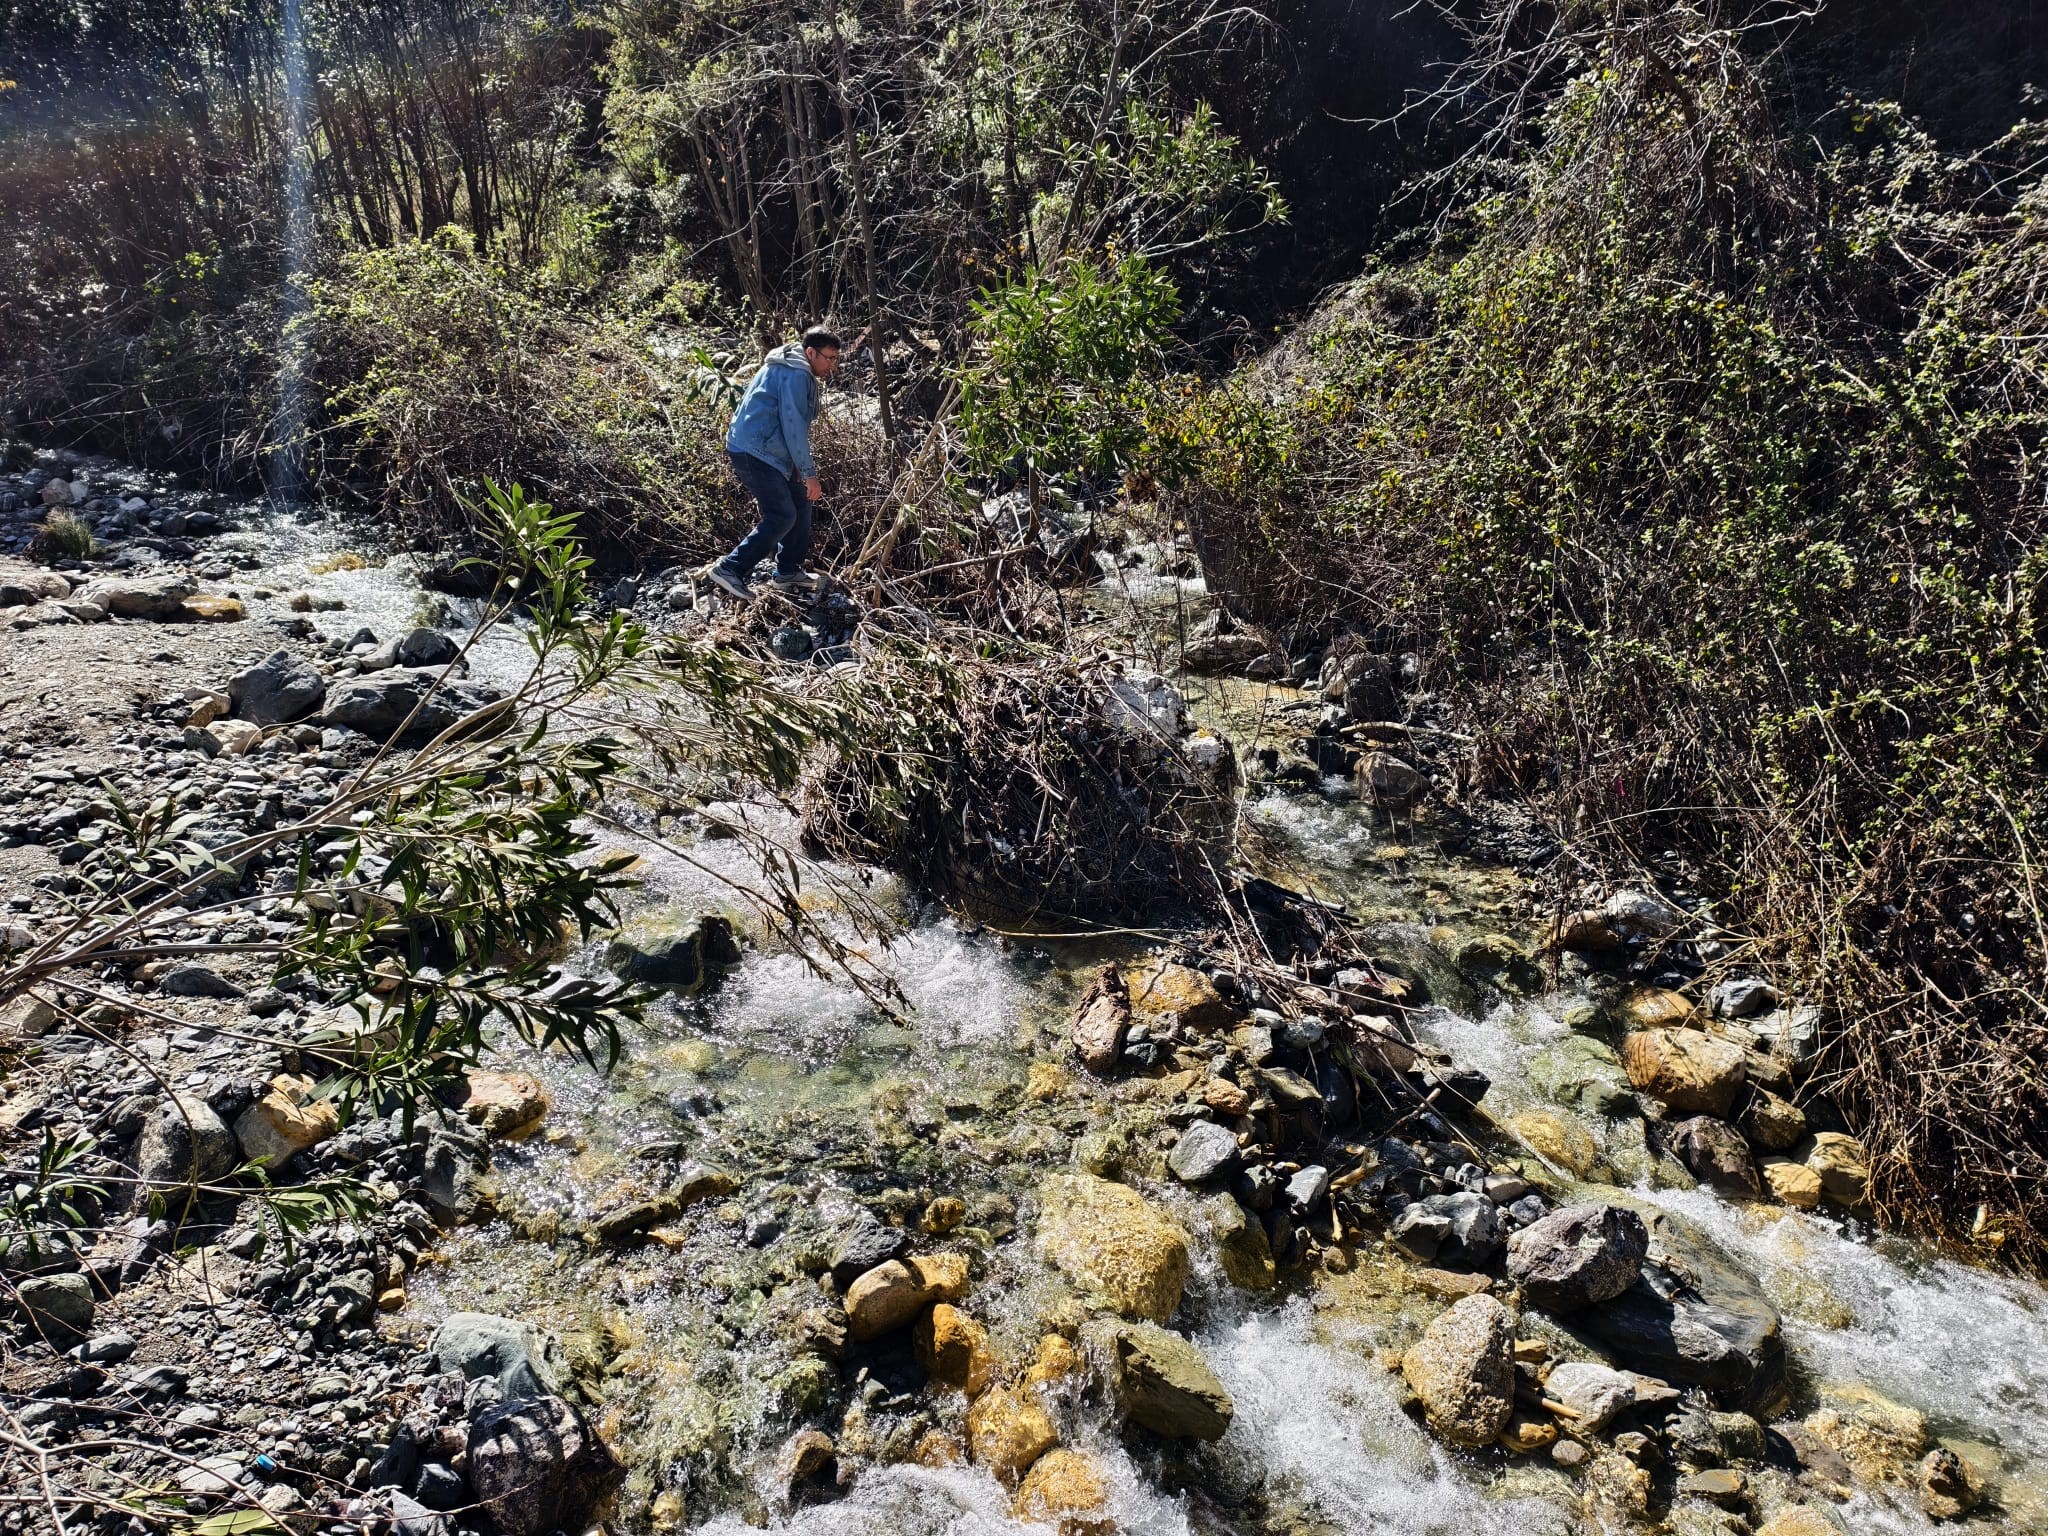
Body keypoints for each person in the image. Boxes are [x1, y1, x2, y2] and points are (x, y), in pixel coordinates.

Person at [703, 326, 841, 599]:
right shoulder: (796, 374)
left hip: (768, 449)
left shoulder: (790, 363)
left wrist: (797, 469)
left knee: (800, 503)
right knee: (782, 515)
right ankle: (730, 568)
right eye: (829, 358)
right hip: (754, 450)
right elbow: (794, 428)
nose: (832, 366)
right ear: (810, 352)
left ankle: (787, 571)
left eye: (836, 359)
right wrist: (808, 473)